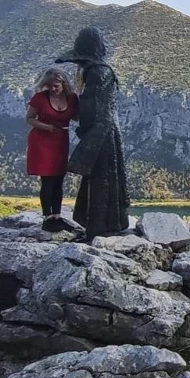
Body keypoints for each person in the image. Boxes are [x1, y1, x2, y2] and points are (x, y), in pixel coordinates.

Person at [55, 26, 130, 239]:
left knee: (102, 179)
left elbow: (93, 106)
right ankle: (106, 223)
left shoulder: (98, 72)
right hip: (105, 130)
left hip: (101, 132)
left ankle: (101, 227)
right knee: (104, 178)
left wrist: (85, 129)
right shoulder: (99, 71)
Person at [25, 68, 79, 232]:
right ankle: (48, 218)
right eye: (49, 86)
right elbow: (29, 119)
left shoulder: (72, 98)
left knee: (59, 179)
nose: (52, 89)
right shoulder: (40, 99)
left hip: (60, 141)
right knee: (47, 179)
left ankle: (57, 216)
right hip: (41, 141)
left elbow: (76, 117)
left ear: (63, 84)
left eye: (55, 86)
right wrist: (47, 127)